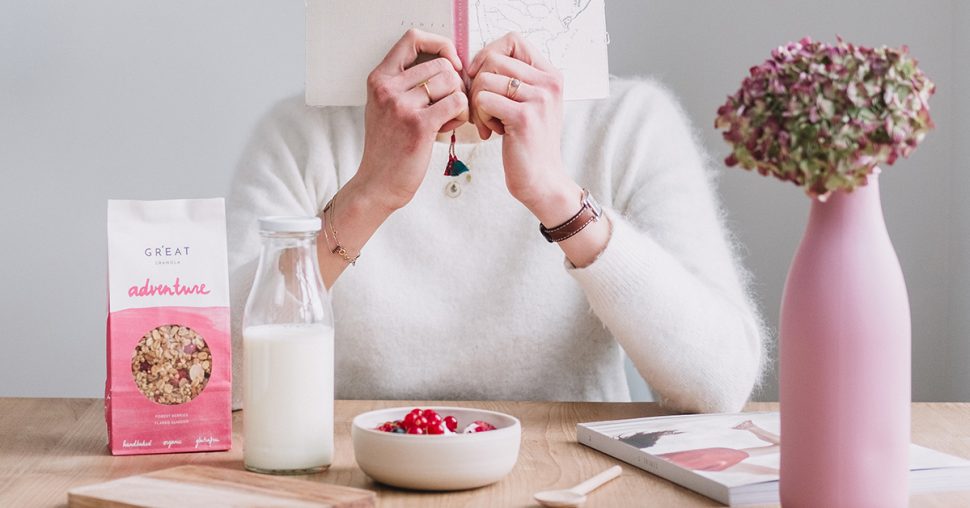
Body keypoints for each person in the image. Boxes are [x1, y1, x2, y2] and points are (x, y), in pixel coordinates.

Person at [227, 29, 765, 412]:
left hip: (575, 480)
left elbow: (718, 384)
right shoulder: (300, 135)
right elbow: (212, 378)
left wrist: (558, 197)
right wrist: (369, 193)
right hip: (353, 475)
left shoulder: (630, 122)